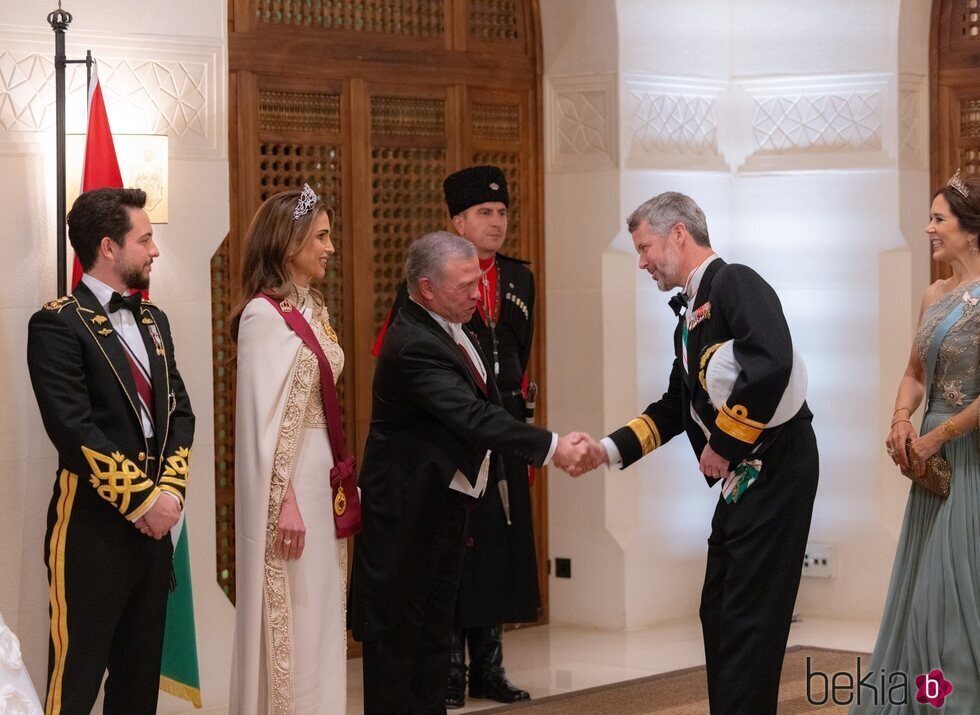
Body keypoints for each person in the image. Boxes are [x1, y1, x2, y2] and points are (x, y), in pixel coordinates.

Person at [579, 192, 819, 715]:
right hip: (749, 469)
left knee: (748, 612)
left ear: (679, 234)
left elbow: (773, 361)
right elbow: (673, 407)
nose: (642, 261)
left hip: (778, 461)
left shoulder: (734, 281)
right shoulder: (689, 315)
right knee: (721, 606)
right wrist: (606, 450)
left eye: (645, 247)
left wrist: (723, 442)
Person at [349, 231, 589, 715]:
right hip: (406, 515)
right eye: (464, 286)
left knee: (434, 641)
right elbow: (473, 417)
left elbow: (489, 406)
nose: (477, 294)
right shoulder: (413, 342)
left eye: (477, 282)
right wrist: (551, 446)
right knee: (400, 647)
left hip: (445, 506)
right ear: (427, 288)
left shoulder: (459, 328)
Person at [371, 165, 538, 706]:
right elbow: (430, 383)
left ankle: (487, 665)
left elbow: (515, 364)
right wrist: (553, 445)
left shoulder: (516, 279)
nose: (497, 222)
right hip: (444, 449)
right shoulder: (421, 310)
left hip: (493, 434)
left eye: (502, 212)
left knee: (490, 556)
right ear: (458, 222)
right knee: (439, 580)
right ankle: (449, 673)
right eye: (484, 213)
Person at [27, 187, 195, 714]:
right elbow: (73, 430)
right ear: (108, 246)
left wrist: (169, 491)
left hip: (153, 538)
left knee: (137, 689)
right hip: (90, 534)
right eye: (145, 239)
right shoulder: (57, 324)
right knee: (74, 686)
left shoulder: (154, 321)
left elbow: (180, 414)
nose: (155, 251)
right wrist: (145, 502)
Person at [851, 171, 980, 714]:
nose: (928, 228)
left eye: (938, 219)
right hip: (930, 460)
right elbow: (913, 370)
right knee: (922, 588)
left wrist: (938, 437)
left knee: (953, 595)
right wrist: (902, 418)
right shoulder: (935, 293)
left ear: (972, 230)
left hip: (968, 458)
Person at [229, 185, 349, 713]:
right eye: (320, 236)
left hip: (322, 475)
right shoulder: (262, 316)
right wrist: (285, 500)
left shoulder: (315, 309)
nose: (329, 247)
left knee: (323, 608)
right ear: (290, 241)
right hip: (290, 481)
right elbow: (260, 423)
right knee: (293, 611)